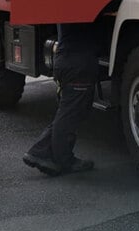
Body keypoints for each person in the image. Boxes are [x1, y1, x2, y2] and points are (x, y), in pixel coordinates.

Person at [23, 23, 99, 175]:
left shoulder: (66, 9)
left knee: (70, 111)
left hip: (68, 61)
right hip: (76, 64)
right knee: (70, 113)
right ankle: (62, 159)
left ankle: (40, 152)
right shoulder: (77, 12)